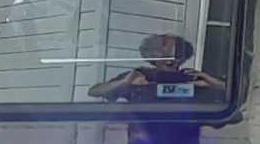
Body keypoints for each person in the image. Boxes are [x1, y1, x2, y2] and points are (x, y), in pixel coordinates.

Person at [88, 33, 226, 103]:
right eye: (163, 44)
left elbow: (226, 89)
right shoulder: (138, 75)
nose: (162, 51)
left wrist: (204, 79)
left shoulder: (189, 76)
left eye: (177, 50)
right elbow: (94, 91)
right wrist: (124, 83)